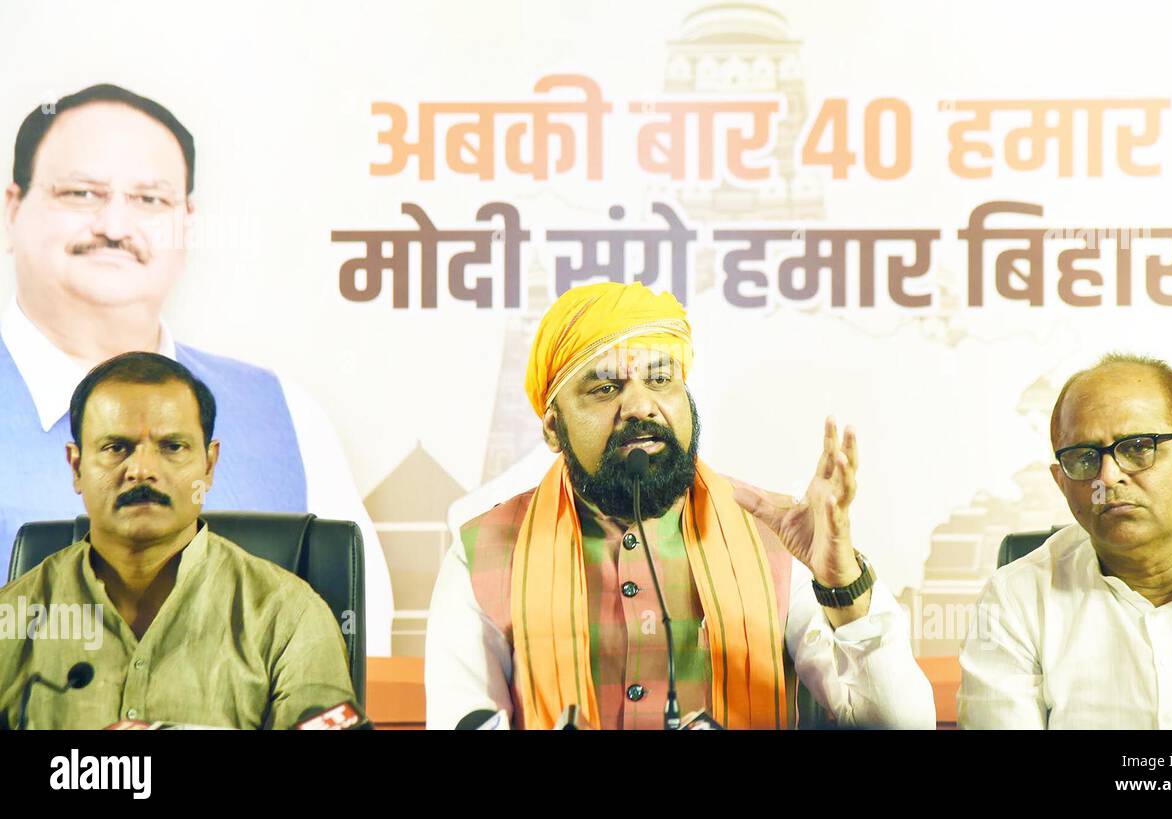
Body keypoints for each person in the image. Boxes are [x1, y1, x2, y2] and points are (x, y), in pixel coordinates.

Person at [424, 282, 934, 730]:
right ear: (554, 428)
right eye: (605, 388)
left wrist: (840, 578)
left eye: (661, 379)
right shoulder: (484, 552)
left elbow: (902, 724)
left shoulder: (772, 540)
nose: (642, 405)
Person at [0, 83, 392, 654]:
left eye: (149, 200)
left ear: (187, 220)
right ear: (14, 206)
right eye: (81, 193)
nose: (114, 224)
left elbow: (361, 657)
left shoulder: (285, 416)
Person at [0, 352, 354, 729]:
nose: (142, 471)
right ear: (76, 467)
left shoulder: (287, 616)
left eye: (172, 447)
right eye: (116, 447)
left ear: (209, 464)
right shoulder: (13, 618)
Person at [958, 353, 1172, 729]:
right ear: (1061, 482)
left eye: (1138, 447)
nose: (1108, 476)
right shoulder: (1018, 599)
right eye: (1084, 457)